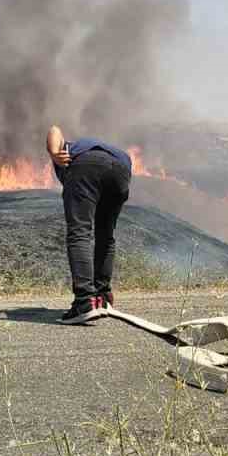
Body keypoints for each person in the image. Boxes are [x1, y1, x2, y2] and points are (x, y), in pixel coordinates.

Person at [46, 125, 132, 324]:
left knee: (79, 233)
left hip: (86, 166)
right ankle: (103, 298)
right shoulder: (109, 149)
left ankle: (85, 302)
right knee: (106, 236)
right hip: (121, 169)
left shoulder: (69, 150)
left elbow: (54, 129)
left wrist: (53, 154)